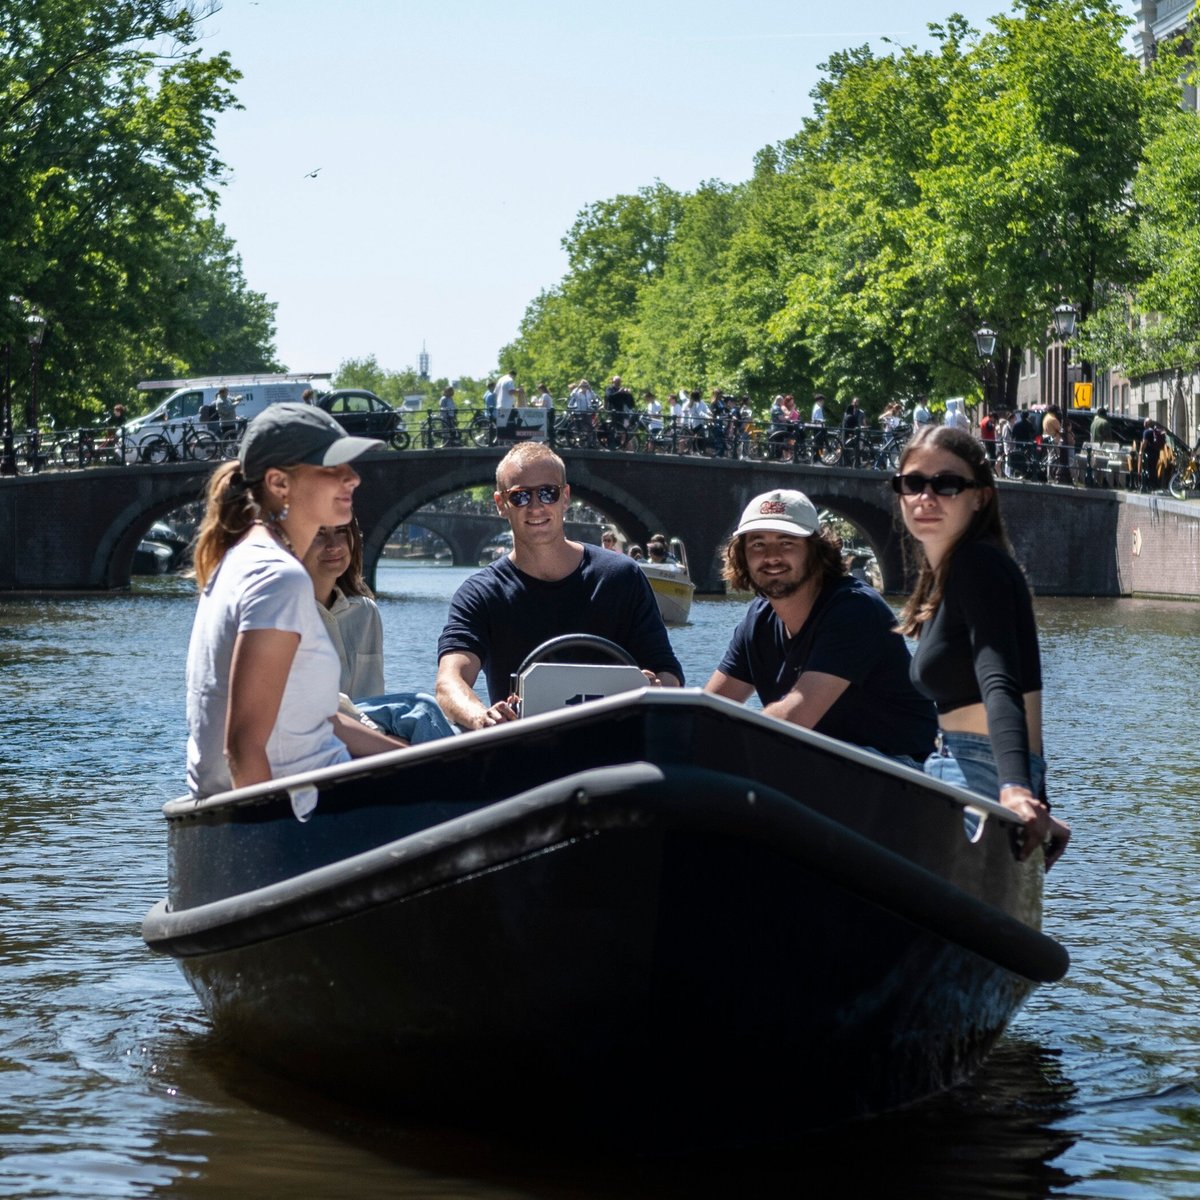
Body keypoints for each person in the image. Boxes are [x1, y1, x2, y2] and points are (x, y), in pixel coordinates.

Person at [184, 404, 403, 809]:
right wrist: (271, 846)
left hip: (316, 802)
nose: (352, 477)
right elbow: (243, 746)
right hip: (317, 818)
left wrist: (416, 763)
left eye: (350, 466)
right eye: (332, 467)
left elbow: (317, 721)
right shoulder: (279, 579)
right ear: (279, 484)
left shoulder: (238, 562)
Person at [892, 424, 1070, 867]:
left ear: (981, 496)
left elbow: (1001, 683)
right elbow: (1026, 691)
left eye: (946, 484)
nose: (925, 497)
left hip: (977, 774)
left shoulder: (978, 565)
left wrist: (1015, 789)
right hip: (974, 769)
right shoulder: (957, 572)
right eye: (913, 483)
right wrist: (1035, 791)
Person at [436, 443, 683, 729]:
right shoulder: (480, 593)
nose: (536, 506)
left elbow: (668, 673)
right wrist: (480, 716)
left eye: (547, 493)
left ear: (564, 497)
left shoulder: (621, 577)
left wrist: (656, 688)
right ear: (501, 504)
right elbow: (449, 681)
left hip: (616, 752)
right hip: (522, 751)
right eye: (520, 497)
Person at [704, 489, 937, 765]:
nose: (772, 556)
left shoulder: (855, 609)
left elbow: (795, 718)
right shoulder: (758, 619)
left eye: (787, 542)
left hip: (901, 772)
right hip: (822, 765)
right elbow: (708, 712)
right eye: (757, 544)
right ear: (742, 556)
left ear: (816, 551)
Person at [302, 520, 454, 744]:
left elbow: (372, 699)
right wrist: (382, 740)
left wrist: (377, 736)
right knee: (421, 709)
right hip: (313, 732)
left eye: (342, 532)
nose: (333, 545)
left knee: (431, 719)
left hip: (359, 728)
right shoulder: (285, 613)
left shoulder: (365, 612)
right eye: (319, 534)